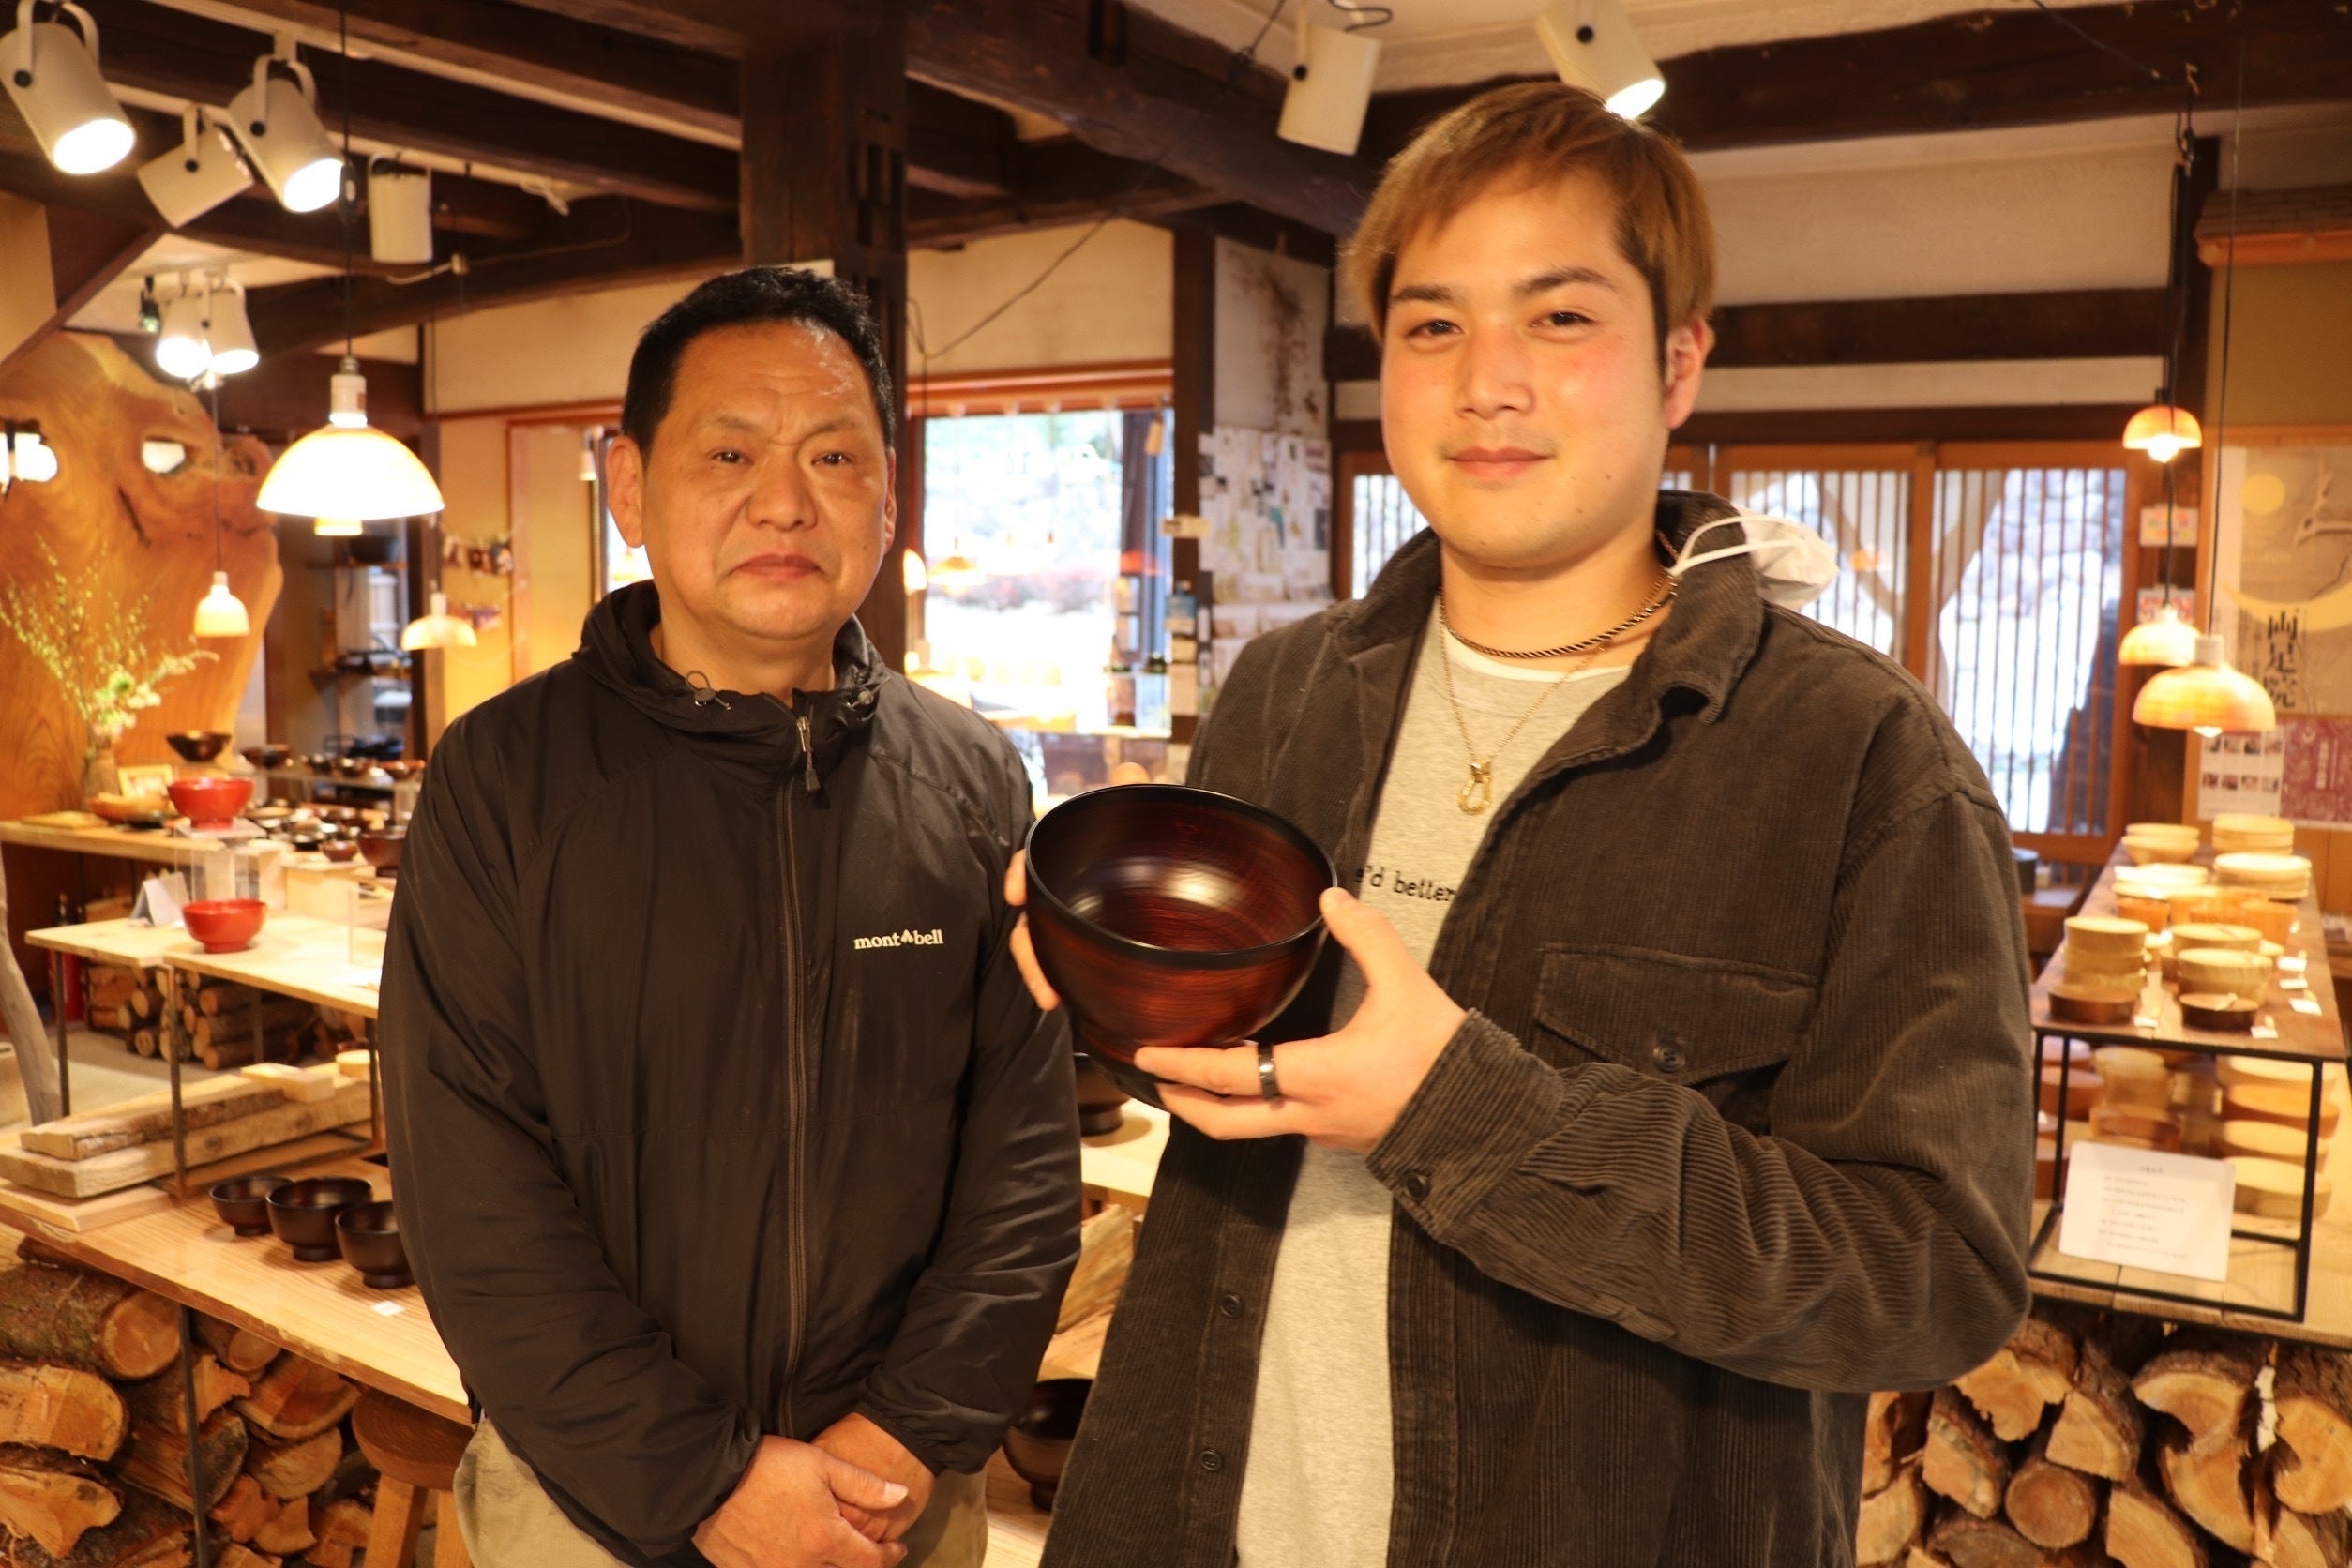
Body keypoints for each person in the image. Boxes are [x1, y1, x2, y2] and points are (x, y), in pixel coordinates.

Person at [1018, 83, 2033, 1567]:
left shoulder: (1861, 760)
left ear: (1679, 362)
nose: (1486, 382)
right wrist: (1110, 986)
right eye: (1433, 325)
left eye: (1559, 319)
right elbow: (1234, 1082)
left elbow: (1932, 1275)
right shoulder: (1288, 691)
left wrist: (1461, 1110)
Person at [382, 266, 1080, 1568]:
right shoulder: (507, 778)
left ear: (888, 496)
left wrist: (905, 1434)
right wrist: (709, 1479)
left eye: (834, 456)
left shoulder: (973, 780)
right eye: (730, 452)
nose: (785, 501)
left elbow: (1023, 1162)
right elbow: (468, 1184)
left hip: (896, 1502)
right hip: (599, 1504)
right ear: (629, 485)